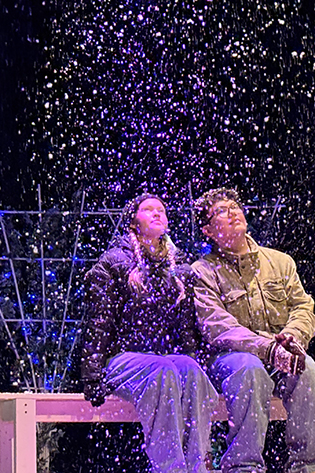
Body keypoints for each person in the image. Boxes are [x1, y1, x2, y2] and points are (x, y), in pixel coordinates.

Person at [191, 187, 315, 473]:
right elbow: (217, 325)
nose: (232, 213)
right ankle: (243, 466)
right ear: (207, 230)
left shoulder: (279, 262)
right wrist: (267, 347)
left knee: (310, 372)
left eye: (234, 206)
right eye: (221, 211)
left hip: (279, 351)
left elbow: (303, 307)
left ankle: (308, 467)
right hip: (229, 359)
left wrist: (292, 338)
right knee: (249, 369)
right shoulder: (203, 271)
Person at [81, 193, 220, 473]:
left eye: (161, 210)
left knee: (191, 371)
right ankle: (170, 468)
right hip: (120, 360)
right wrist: (91, 375)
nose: (157, 213)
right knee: (163, 371)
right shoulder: (115, 262)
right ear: (133, 222)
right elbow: (99, 322)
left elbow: (186, 326)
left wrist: (196, 358)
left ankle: (197, 465)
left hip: (162, 358)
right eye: (148, 210)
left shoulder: (178, 267)